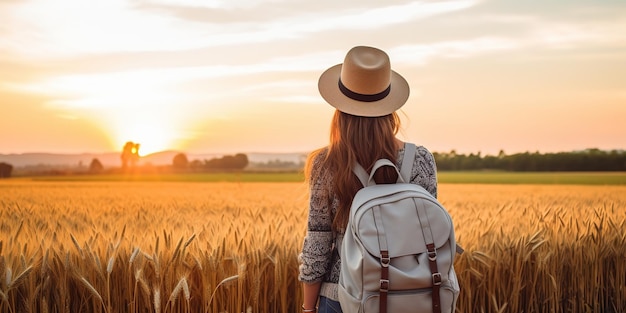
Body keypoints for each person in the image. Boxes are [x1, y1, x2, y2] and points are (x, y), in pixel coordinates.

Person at [298, 45, 439, 313]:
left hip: (341, 296)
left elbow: (317, 242)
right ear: (391, 109)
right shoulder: (421, 159)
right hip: (408, 296)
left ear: (339, 108)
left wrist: (308, 307)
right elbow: (427, 234)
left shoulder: (326, 163)